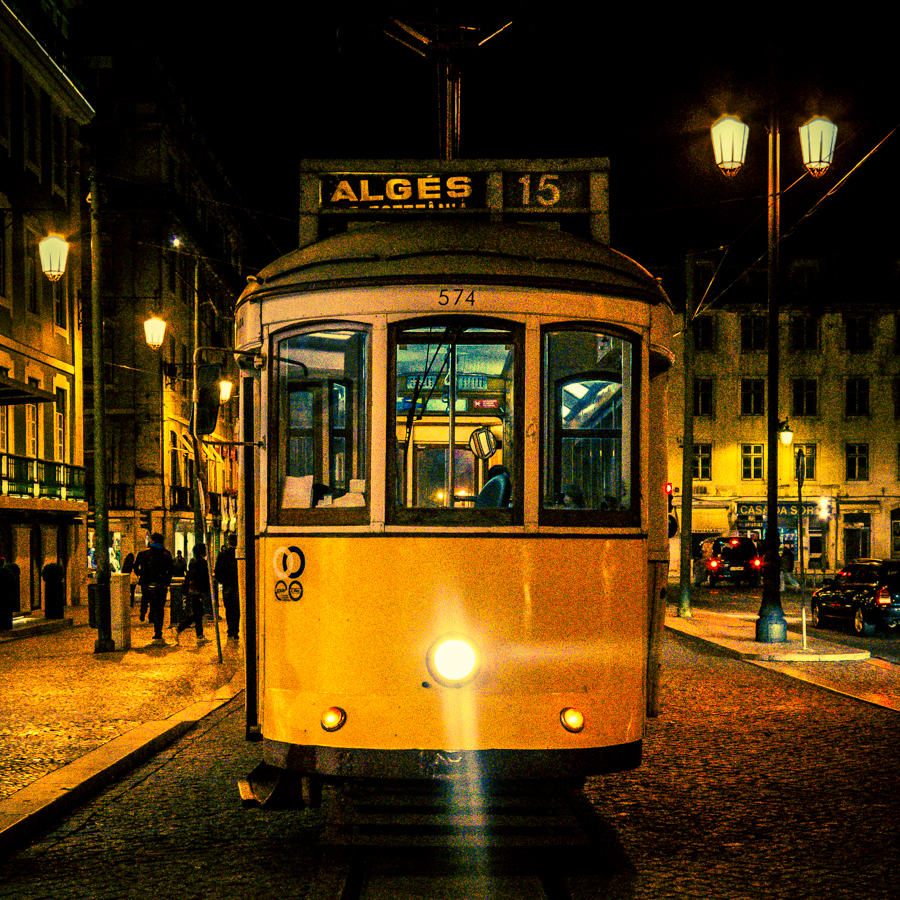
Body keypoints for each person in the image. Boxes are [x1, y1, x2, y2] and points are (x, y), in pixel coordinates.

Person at [134, 533, 174, 641]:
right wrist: (167, 581)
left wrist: (141, 575)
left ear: (151, 541)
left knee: (147, 600)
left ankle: (144, 612)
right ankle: (158, 631)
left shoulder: (144, 554)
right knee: (159, 608)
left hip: (148, 583)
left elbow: (137, 567)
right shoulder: (166, 554)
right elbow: (171, 570)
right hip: (161, 584)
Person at [176, 543, 210, 643]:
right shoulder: (202, 563)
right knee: (197, 613)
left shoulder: (192, 561)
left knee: (198, 613)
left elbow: (189, 575)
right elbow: (204, 578)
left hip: (193, 590)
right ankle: (179, 628)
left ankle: (199, 635)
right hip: (198, 590)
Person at [215, 534, 240, 640]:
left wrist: (222, 580)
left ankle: (230, 629)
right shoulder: (239, 554)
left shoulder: (222, 555)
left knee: (228, 608)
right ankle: (235, 630)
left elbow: (217, 571)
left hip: (227, 585)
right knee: (236, 609)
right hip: (237, 585)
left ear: (228, 542)